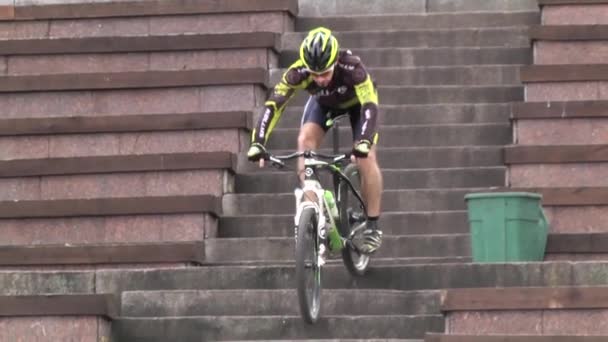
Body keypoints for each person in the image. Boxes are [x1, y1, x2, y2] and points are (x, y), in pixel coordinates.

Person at [246, 27, 383, 254]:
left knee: (366, 157)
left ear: (335, 63)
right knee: (304, 142)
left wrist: (364, 141)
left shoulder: (352, 68)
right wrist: (257, 142)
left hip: (358, 105)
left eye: (325, 73)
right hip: (325, 105)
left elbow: (370, 105)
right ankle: (312, 214)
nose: (319, 79)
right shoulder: (297, 72)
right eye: (314, 74)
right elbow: (274, 106)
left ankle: (373, 226)